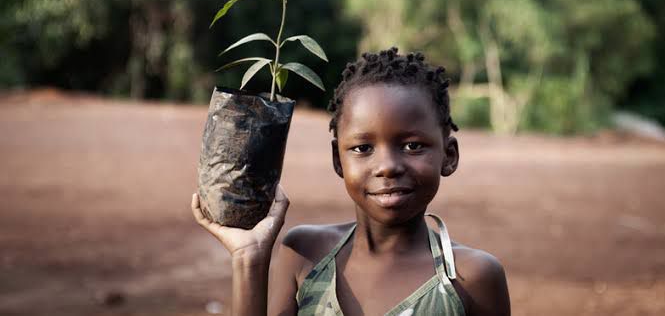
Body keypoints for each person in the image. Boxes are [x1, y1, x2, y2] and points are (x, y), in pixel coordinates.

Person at [192, 47, 511, 315]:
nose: (387, 167)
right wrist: (249, 259)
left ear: (449, 155)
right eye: (363, 148)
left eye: (412, 146)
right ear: (337, 160)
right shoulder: (305, 254)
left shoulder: (471, 278)